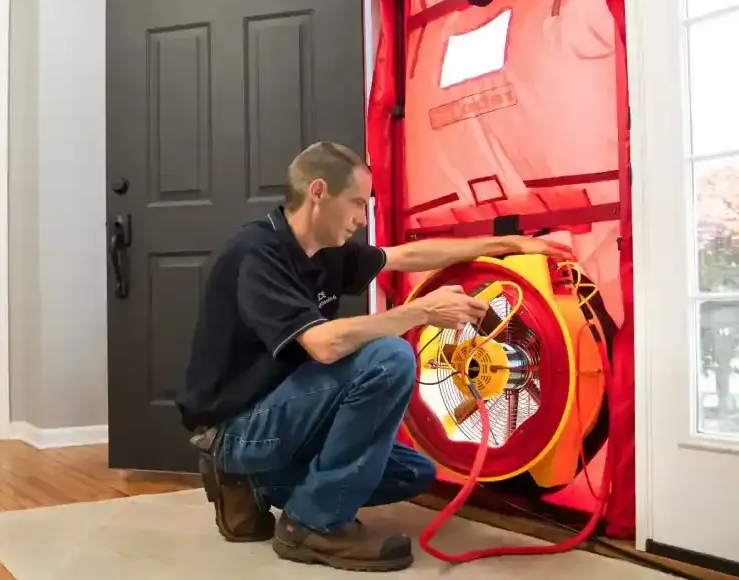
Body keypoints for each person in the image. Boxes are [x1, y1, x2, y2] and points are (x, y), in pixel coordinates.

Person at [176, 141, 572, 572]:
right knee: (389, 357)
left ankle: (256, 483)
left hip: (285, 418)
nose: (362, 219)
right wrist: (421, 311)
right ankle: (313, 524)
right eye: (357, 204)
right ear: (319, 192)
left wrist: (505, 245)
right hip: (235, 427)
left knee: (411, 472)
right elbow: (323, 344)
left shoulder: (324, 253)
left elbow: (405, 256)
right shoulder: (258, 254)